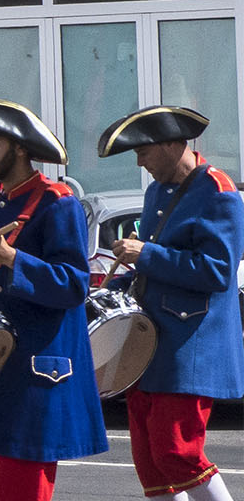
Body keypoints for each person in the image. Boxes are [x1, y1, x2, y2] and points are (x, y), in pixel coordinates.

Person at [0, 98, 106, 501]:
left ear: (20, 148)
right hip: (2, 363)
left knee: (21, 488)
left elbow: (74, 284)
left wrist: (11, 258)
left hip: (35, 363)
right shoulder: (2, 199)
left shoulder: (57, 202)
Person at [99, 105, 242, 501]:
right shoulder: (156, 191)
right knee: (150, 462)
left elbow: (216, 271)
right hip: (153, 342)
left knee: (177, 452)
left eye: (143, 151)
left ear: (169, 143)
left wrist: (145, 255)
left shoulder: (218, 192)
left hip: (191, 342)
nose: (141, 162)